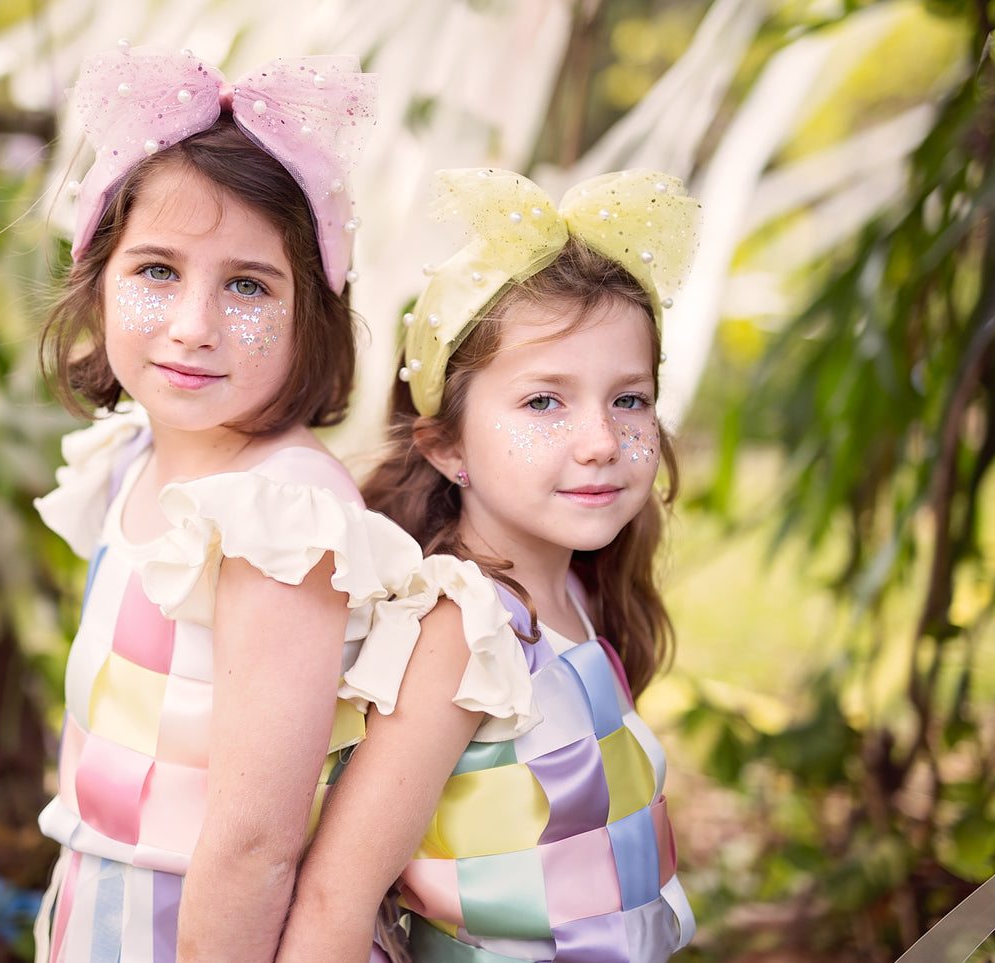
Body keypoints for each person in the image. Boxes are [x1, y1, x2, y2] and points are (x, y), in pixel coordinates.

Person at [30, 43, 422, 962]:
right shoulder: (129, 456)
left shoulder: (276, 514)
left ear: (309, 316)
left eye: (247, 285)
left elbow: (255, 842)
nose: (193, 325)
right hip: (103, 905)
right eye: (156, 269)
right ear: (96, 280)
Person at [277, 167, 702, 962]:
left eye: (628, 399)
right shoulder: (459, 630)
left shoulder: (577, 590)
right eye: (544, 401)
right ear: (446, 447)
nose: (601, 441)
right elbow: (335, 898)